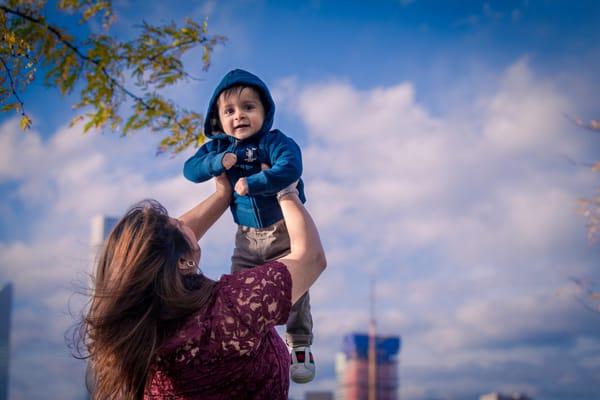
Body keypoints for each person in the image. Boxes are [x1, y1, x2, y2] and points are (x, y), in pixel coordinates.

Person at [79, 174, 326, 400]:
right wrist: (285, 188)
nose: (184, 219)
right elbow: (311, 258)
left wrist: (222, 195)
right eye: (176, 222)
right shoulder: (232, 307)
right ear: (183, 261)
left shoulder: (141, 333)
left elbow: (164, 251)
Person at [183, 69, 316, 382]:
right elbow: (190, 170)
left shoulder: (273, 141)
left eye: (248, 107)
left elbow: (291, 167)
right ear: (218, 119)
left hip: (281, 228)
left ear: (264, 112)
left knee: (295, 285)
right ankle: (249, 344)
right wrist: (217, 164)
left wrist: (256, 182)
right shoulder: (220, 149)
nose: (239, 115)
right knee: (237, 288)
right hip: (245, 236)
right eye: (229, 111)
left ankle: (299, 343)